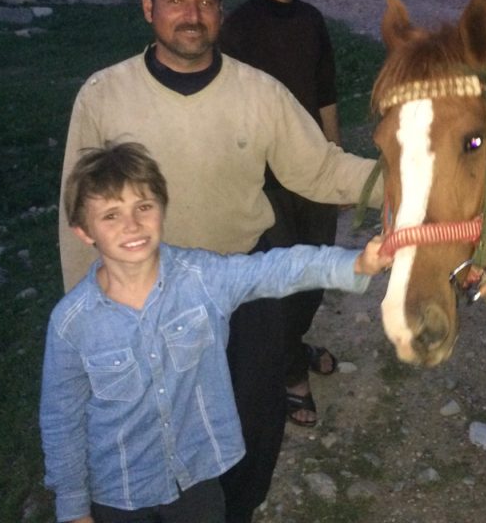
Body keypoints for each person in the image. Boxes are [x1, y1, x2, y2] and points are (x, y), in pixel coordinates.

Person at [57, 0, 381, 523]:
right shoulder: (105, 95)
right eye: (176, 1)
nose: (192, 15)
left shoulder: (259, 94)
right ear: (147, 7)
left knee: (255, 422)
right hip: (141, 295)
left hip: (241, 284)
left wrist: (407, 183)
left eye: (205, 1)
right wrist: (87, 308)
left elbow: (322, 169)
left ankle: (237, 512)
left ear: (220, 12)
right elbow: (76, 207)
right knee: (151, 426)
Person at [41, 141, 391, 523]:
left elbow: (276, 269)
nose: (132, 225)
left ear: (162, 208)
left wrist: (355, 262)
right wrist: (73, 508)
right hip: (119, 494)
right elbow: (63, 419)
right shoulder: (71, 322)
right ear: (83, 231)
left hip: (198, 481)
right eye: (111, 215)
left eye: (143, 207)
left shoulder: (203, 279)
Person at [219, 0, 340, 428]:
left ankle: (293, 345)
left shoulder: (312, 20)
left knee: (314, 275)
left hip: (313, 169)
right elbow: (226, 107)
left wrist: (335, 160)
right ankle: (291, 374)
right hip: (266, 179)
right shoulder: (239, 27)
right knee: (282, 281)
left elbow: (326, 93)